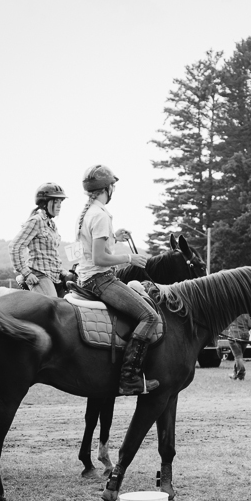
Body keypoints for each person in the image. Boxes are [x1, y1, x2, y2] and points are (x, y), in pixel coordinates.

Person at [74, 164, 160, 395]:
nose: (113, 189)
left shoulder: (89, 212)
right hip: (99, 279)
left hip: (86, 277)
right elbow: (99, 257)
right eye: (113, 186)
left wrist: (114, 237)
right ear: (108, 188)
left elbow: (91, 247)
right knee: (149, 316)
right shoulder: (100, 215)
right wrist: (129, 258)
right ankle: (129, 378)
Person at [10, 183, 67, 297]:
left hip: (55, 275)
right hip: (39, 275)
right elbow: (14, 247)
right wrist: (27, 273)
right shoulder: (36, 221)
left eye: (61, 202)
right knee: (52, 308)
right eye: (56, 202)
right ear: (45, 203)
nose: (59, 205)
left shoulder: (52, 224)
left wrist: (62, 271)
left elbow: (51, 254)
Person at [225, 313, 251, 380]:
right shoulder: (246, 314)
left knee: (238, 356)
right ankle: (235, 373)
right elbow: (250, 325)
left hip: (234, 335)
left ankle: (241, 373)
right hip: (245, 336)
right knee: (239, 356)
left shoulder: (231, 313)